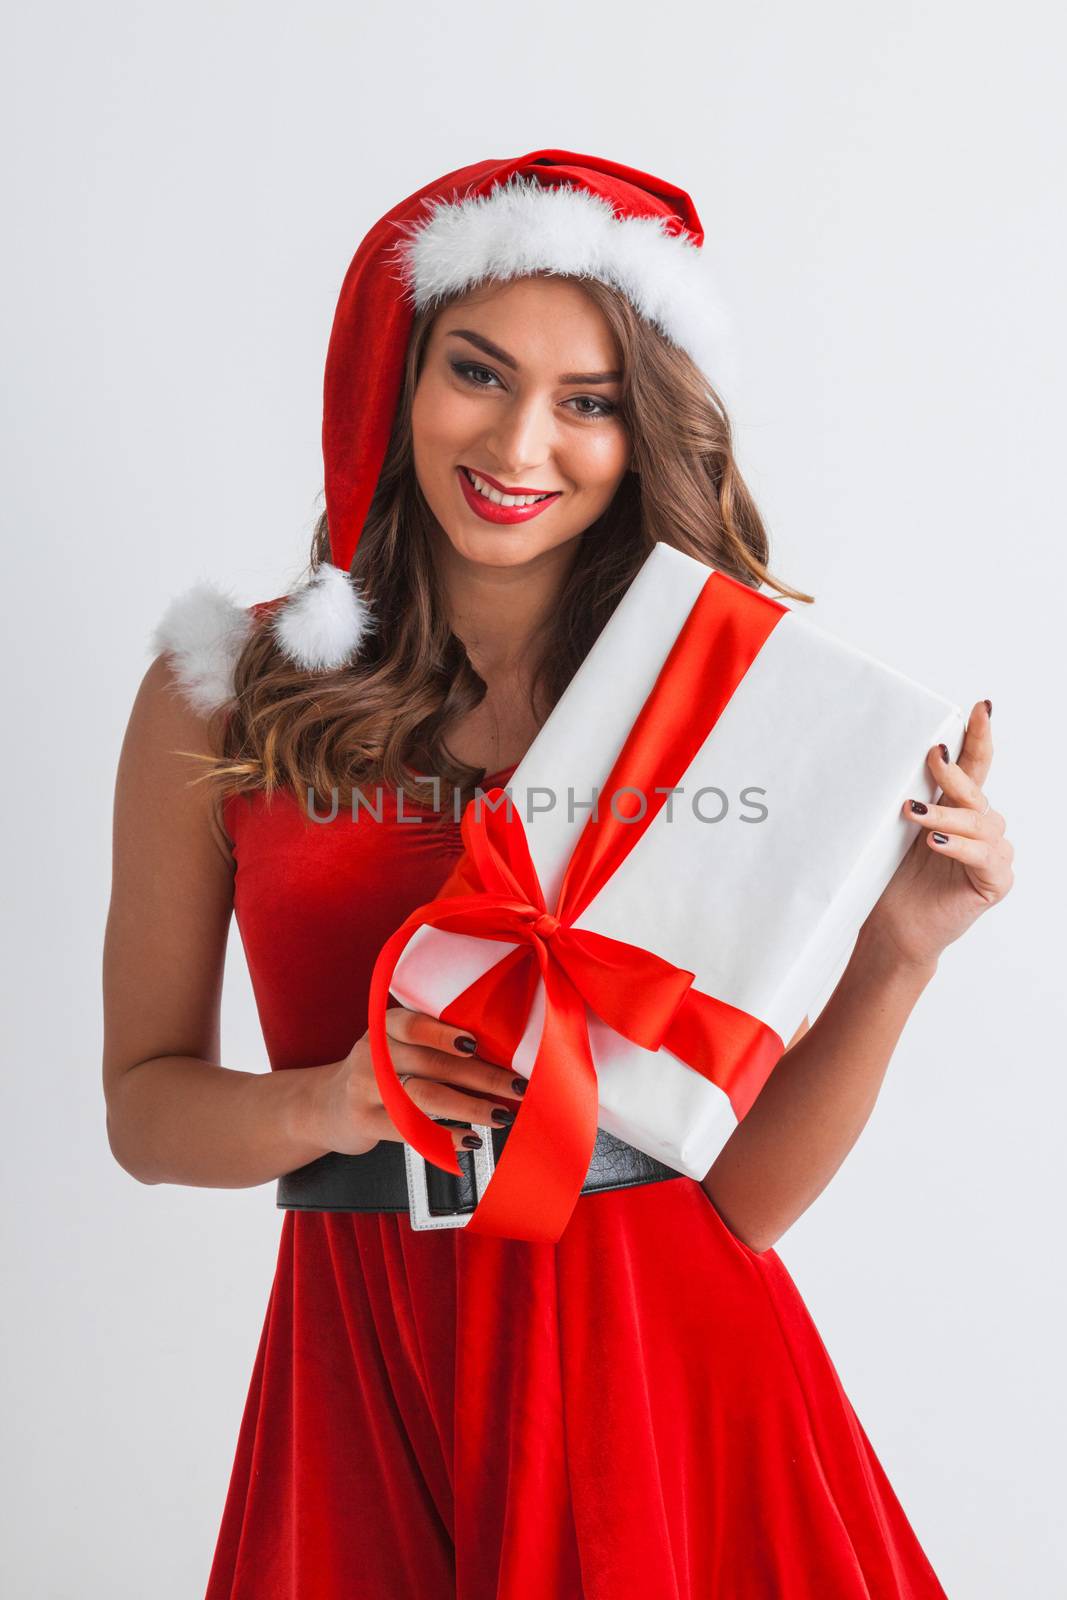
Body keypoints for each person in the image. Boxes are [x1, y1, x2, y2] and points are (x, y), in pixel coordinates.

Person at [102, 150, 1013, 1599]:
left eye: (588, 402)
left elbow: (743, 1204)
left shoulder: (720, 702)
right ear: (393, 375)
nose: (524, 443)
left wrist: (899, 951)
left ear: (641, 428)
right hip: (371, 1357)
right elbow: (146, 1113)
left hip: (664, 1382)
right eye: (478, 372)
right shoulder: (227, 694)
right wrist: (338, 1099)